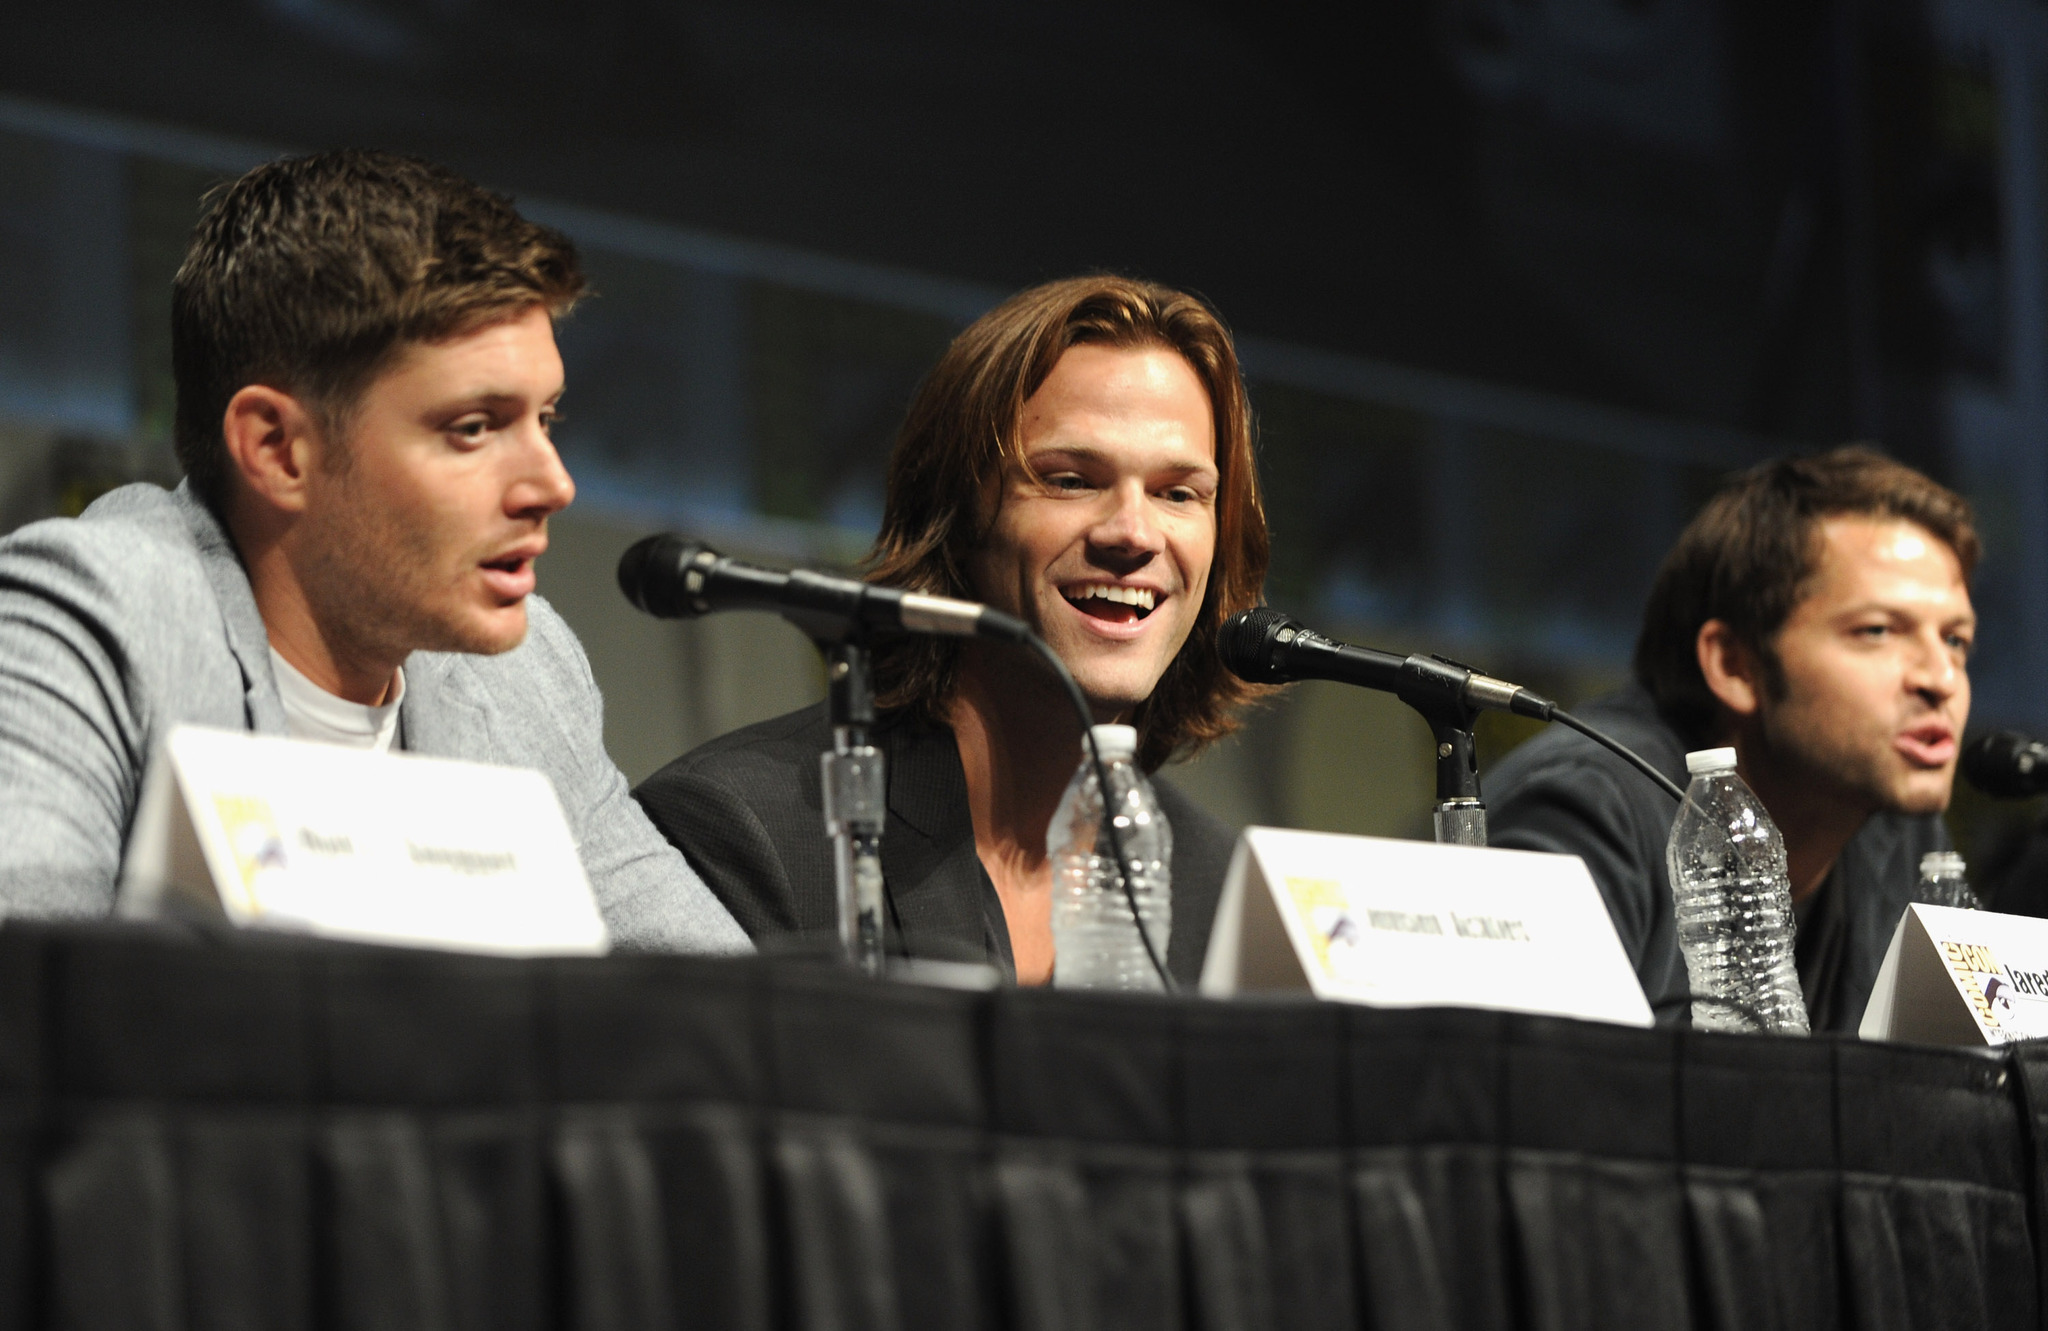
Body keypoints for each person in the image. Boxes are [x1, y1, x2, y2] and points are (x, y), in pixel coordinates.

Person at [0, 149, 748, 952]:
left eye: (547, 419)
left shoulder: (528, 677)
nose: (553, 484)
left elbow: (724, 1008)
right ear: (279, 448)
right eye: (474, 427)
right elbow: (24, 1024)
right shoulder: (88, 624)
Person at [634, 275, 1271, 983]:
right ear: (957, 517)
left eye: (1178, 493)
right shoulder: (748, 830)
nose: (1133, 533)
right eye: (1069, 480)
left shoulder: (1220, 890)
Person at [1485, 446, 1976, 1028]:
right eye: (1877, 630)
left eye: (1954, 640)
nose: (1940, 679)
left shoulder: (1903, 832)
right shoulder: (1591, 807)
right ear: (1736, 665)